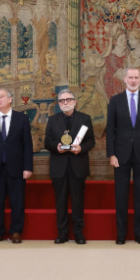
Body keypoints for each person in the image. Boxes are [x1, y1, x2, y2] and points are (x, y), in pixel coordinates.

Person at [106, 67, 140, 245]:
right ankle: (121, 235)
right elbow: (110, 129)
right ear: (125, 80)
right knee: (121, 195)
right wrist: (111, 154)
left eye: (136, 77)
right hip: (120, 155)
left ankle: (139, 234)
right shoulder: (115, 101)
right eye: (131, 77)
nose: (134, 80)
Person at [0, 88, 34, 243]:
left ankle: (16, 231)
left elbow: (27, 145)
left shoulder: (21, 119)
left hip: (16, 167)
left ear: (10, 100)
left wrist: (27, 167)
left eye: (1, 97)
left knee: (17, 201)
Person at [44, 89, 95, 244]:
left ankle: (79, 234)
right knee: (60, 202)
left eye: (68, 99)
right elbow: (47, 142)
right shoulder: (52, 120)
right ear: (59, 104)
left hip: (78, 165)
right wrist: (56, 146)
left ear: (74, 101)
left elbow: (91, 141)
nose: (65, 103)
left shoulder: (85, 119)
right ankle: (62, 234)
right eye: (62, 100)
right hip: (59, 167)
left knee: (78, 201)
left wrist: (81, 148)